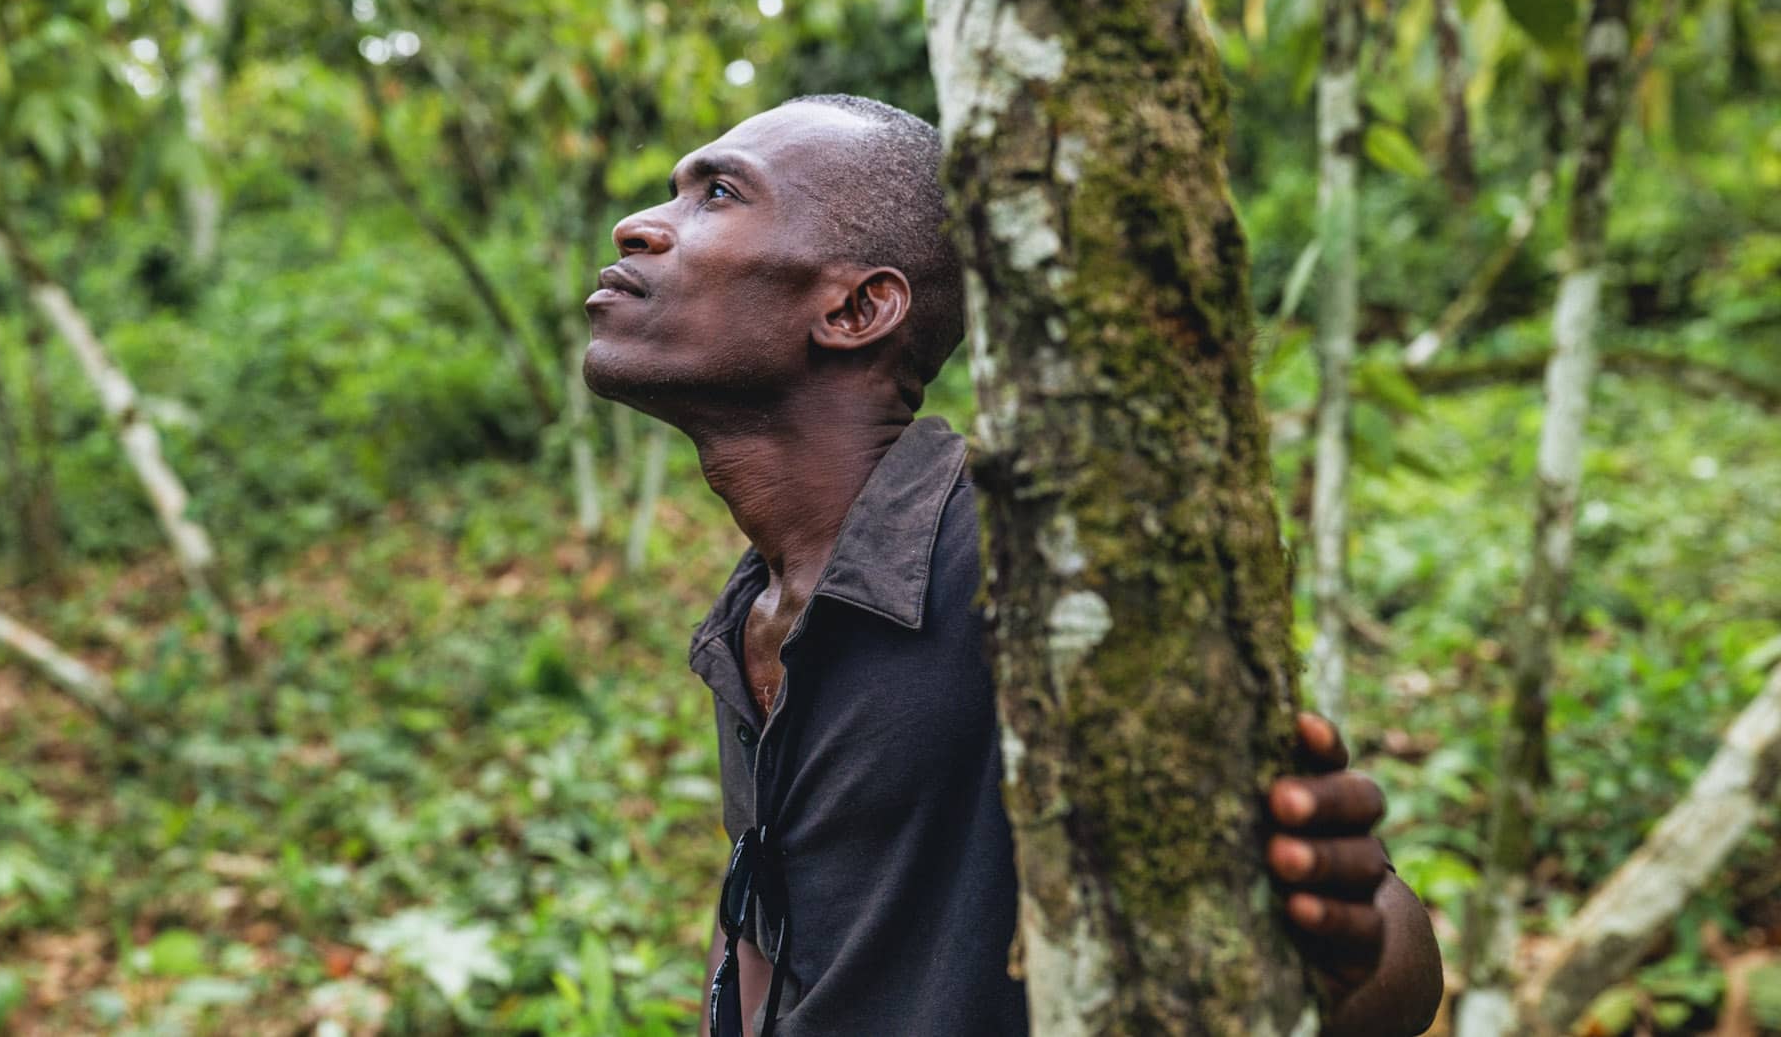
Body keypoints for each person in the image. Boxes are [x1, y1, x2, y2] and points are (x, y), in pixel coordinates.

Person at [581, 94, 1445, 1036]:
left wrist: (1334, 938)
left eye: (716, 193)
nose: (639, 225)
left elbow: (1394, 960)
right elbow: (767, 923)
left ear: (858, 306)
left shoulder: (1026, 560)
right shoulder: (757, 608)